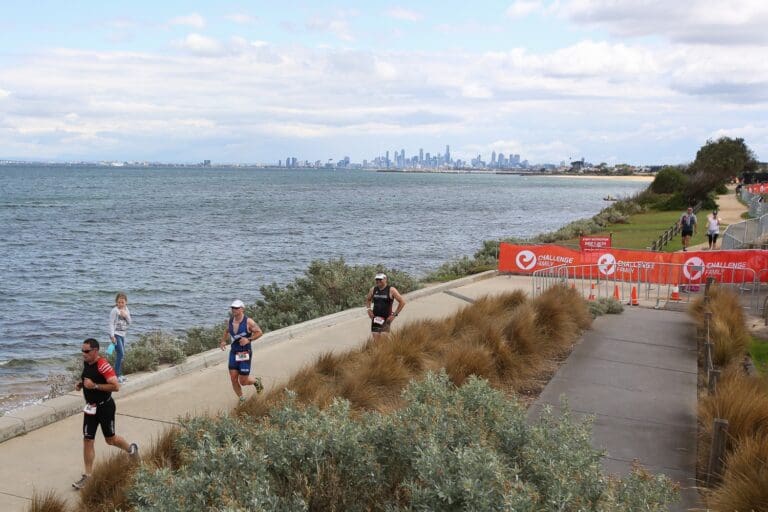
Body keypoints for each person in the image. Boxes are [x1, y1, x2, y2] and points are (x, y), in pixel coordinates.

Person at [72, 338, 138, 490]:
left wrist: (94, 386)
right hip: (90, 409)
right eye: (82, 350)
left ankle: (131, 450)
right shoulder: (87, 362)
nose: (83, 353)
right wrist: (81, 384)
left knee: (111, 440)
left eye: (86, 351)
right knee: (87, 440)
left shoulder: (103, 365)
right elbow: (89, 378)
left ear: (95, 351)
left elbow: (116, 386)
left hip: (105, 408)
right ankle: (88, 476)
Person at [219, 299, 264, 402]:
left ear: (242, 309)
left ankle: (257, 382)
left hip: (244, 353)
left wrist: (248, 339)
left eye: (236, 308)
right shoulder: (230, 320)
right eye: (232, 308)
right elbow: (227, 330)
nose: (234, 309)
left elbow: (259, 332)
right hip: (233, 352)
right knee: (233, 378)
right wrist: (223, 341)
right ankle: (242, 400)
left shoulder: (249, 322)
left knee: (243, 381)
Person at [365, 273, 406, 339]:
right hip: (375, 318)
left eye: (380, 279)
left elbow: (402, 302)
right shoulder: (373, 289)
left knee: (384, 340)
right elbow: (368, 300)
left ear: (385, 279)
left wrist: (394, 315)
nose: (378, 281)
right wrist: (369, 310)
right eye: (376, 279)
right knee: (376, 339)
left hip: (386, 318)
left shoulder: (391, 290)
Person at [108, 292, 131, 383]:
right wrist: (112, 336)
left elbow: (130, 322)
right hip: (116, 334)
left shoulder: (126, 310)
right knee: (121, 353)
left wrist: (125, 316)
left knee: (120, 355)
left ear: (126, 302)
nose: (120, 304)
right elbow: (110, 323)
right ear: (116, 302)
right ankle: (117, 375)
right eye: (119, 302)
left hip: (123, 335)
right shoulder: (114, 311)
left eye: (122, 302)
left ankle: (119, 375)